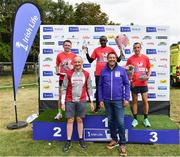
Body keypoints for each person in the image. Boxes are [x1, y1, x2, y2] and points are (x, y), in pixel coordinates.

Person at [98, 52, 130, 156]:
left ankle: (123, 143)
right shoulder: (103, 71)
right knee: (111, 121)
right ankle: (114, 139)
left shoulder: (121, 70)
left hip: (119, 100)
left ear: (116, 59)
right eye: (110, 58)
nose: (112, 59)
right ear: (107, 59)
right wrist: (101, 100)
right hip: (107, 100)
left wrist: (126, 98)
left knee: (120, 122)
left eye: (113, 57)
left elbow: (126, 84)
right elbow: (100, 86)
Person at [61, 56, 94, 152]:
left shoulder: (87, 74)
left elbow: (89, 88)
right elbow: (63, 88)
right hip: (69, 100)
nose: (77, 64)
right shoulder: (68, 73)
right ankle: (68, 141)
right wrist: (62, 102)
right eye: (75, 62)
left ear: (82, 62)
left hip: (82, 100)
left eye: (79, 62)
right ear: (73, 63)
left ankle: (80, 139)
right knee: (70, 120)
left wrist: (91, 102)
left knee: (79, 120)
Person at [82, 35, 122, 113]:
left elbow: (118, 60)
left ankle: (109, 107)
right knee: (98, 90)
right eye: (101, 40)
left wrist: (121, 51)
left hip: (109, 73)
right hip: (98, 74)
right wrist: (86, 52)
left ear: (107, 41)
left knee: (109, 89)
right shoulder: (96, 50)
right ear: (99, 41)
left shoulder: (111, 49)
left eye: (104, 40)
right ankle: (98, 106)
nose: (103, 42)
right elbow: (90, 61)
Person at [126, 42, 151, 127]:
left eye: (138, 47)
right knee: (135, 101)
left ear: (140, 48)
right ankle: (135, 119)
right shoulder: (130, 59)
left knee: (145, 100)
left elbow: (149, 68)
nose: (136, 49)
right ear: (133, 49)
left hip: (143, 83)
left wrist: (148, 76)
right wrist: (130, 80)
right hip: (134, 84)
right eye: (135, 48)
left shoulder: (145, 58)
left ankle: (146, 119)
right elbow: (127, 70)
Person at [54, 40, 76, 120]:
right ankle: (59, 113)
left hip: (71, 79)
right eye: (66, 45)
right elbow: (56, 65)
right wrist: (57, 71)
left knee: (72, 96)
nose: (67, 46)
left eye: (69, 45)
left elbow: (76, 67)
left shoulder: (74, 56)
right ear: (63, 46)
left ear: (71, 46)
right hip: (62, 78)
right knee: (60, 96)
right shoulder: (59, 55)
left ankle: (71, 112)